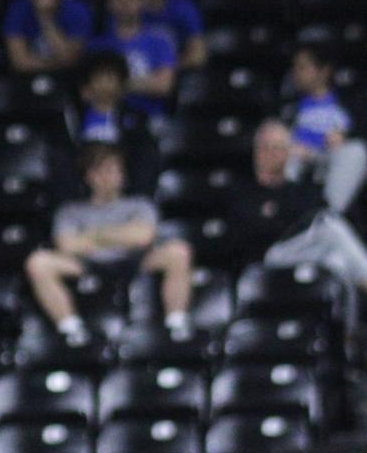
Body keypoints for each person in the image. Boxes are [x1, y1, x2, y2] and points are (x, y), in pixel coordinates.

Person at [26, 144, 193, 345]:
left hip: (133, 259)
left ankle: (176, 323)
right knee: (38, 262)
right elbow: (67, 246)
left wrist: (90, 237)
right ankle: (70, 328)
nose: (106, 176)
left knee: (178, 252)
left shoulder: (140, 204)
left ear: (122, 174)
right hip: (87, 264)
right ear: (88, 176)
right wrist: (120, 234)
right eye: (100, 171)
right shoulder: (70, 211)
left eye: (112, 170)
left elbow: (143, 237)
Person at [230, 122, 367, 306]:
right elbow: (254, 232)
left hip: (302, 251)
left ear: (288, 152)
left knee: (337, 262)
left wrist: (282, 217)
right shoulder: (244, 191)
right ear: (257, 151)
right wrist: (288, 221)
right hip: (266, 258)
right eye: (266, 147)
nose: (271, 153)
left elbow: (316, 210)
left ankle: (345, 333)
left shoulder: (297, 189)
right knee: (329, 228)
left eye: (278, 148)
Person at [286, 43, 367, 216]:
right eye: (295, 67)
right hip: (300, 155)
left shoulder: (347, 102)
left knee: (356, 151)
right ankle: (283, 206)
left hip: (333, 155)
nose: (296, 73)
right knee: (285, 150)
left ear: (324, 71)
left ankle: (330, 216)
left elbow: (360, 132)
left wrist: (347, 136)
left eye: (303, 67)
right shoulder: (289, 105)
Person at [65, 51, 160, 193]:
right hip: (82, 193)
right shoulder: (72, 119)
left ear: (122, 84)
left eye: (110, 78)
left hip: (125, 193)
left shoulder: (135, 120)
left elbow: (144, 160)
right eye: (99, 78)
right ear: (86, 86)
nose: (104, 85)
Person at [91, 0, 178, 119]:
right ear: (109, 2)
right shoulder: (97, 46)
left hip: (151, 120)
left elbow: (164, 85)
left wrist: (114, 84)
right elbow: (90, 91)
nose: (125, 3)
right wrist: (144, 83)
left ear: (141, 1)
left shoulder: (160, 40)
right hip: (108, 118)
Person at [2, 0, 94, 74]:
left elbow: (69, 59)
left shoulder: (78, 10)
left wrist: (46, 17)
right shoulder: (18, 8)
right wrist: (54, 65)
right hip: (26, 76)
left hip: (68, 77)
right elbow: (20, 62)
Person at [137, 0, 207, 71]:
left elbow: (199, 56)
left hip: (176, 72)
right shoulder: (131, 9)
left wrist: (168, 69)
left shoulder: (184, 8)